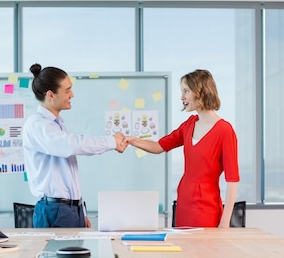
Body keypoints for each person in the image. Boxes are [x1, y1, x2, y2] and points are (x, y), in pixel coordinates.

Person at [125, 69, 240, 228]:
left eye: (186, 91)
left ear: (200, 91)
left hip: (206, 206)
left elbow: (232, 180)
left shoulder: (225, 131)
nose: (182, 97)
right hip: (184, 201)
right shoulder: (188, 125)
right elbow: (159, 146)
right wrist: (131, 140)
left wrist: (225, 222)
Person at [22, 64, 128, 228]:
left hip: (70, 209)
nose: (72, 94)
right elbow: (70, 145)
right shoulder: (37, 124)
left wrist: (81, 211)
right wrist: (112, 141)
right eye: (67, 90)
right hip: (55, 211)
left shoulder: (57, 124)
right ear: (50, 95)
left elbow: (68, 176)